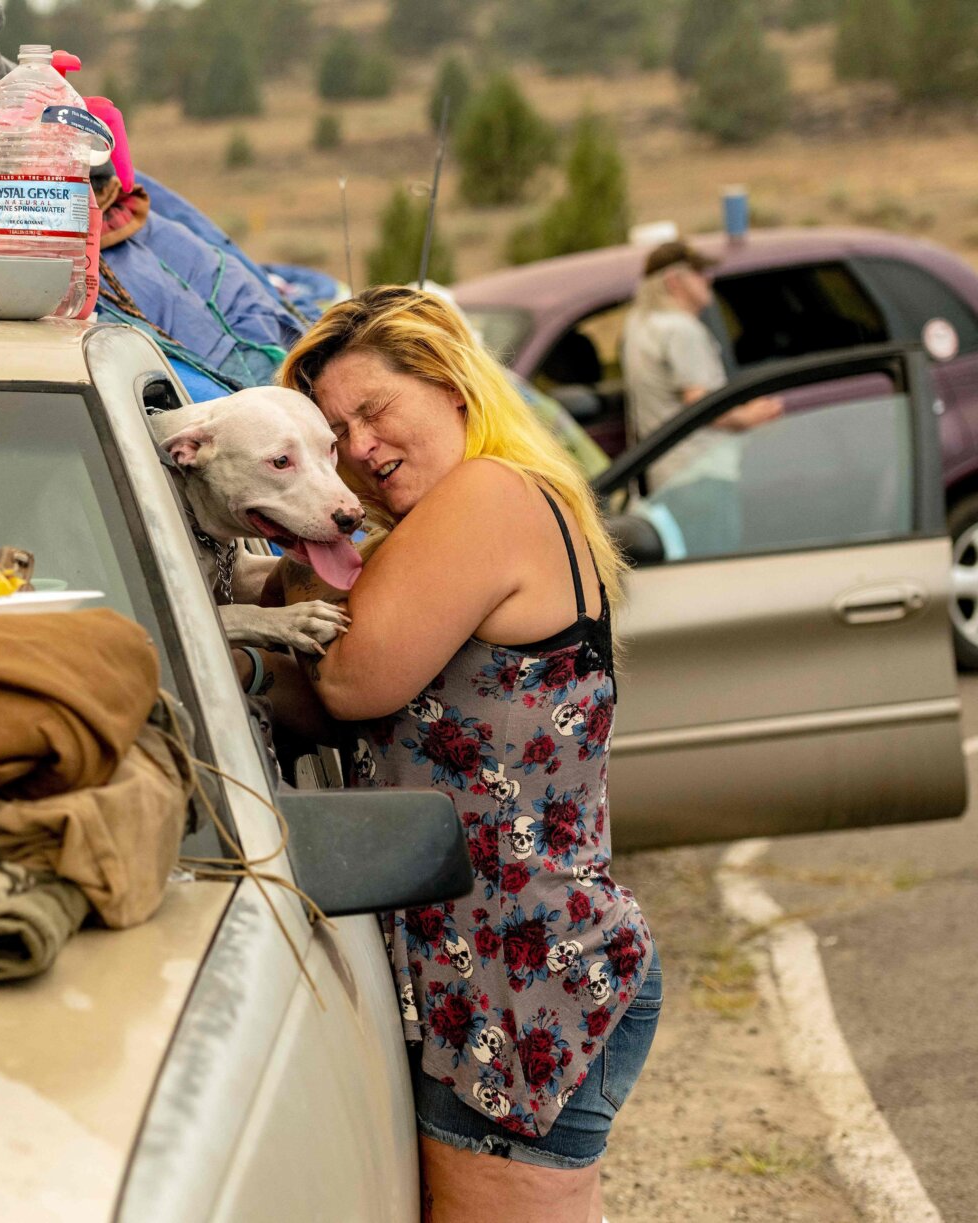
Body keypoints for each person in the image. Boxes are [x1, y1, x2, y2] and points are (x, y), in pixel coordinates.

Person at [238, 286, 659, 1223]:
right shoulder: (472, 513)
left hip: (527, 983)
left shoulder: (489, 494)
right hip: (500, 978)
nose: (357, 448)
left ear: (452, 385)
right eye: (333, 431)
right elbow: (324, 695)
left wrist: (314, 537)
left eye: (374, 409)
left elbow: (349, 682)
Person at [621, 240, 782, 554]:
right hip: (702, 473)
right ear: (673, 282)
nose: (708, 279)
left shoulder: (639, 326)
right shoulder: (681, 330)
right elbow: (700, 402)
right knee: (717, 569)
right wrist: (749, 416)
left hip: (668, 477)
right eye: (698, 273)